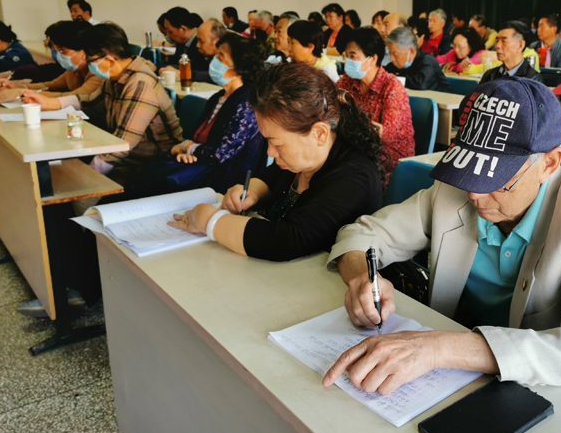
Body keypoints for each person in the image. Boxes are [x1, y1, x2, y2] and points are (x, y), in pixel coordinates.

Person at [323, 76, 561, 421]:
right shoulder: (458, 186)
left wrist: (438, 348)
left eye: (497, 180)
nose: (474, 193)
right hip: (470, 376)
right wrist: (361, 277)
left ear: (548, 165)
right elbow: (362, 235)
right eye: (469, 172)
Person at [168, 63, 384, 262]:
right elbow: (270, 177)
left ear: (319, 134)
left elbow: (287, 240)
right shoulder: (303, 158)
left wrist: (210, 221)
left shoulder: (355, 177)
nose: (270, 152)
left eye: (277, 144)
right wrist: (251, 192)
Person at [22, 22, 182, 185]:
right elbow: (91, 102)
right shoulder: (116, 76)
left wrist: (87, 179)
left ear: (110, 60)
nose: (88, 64)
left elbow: (123, 144)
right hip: (126, 154)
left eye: (90, 60)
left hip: (151, 163)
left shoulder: (139, 84)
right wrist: (50, 103)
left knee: (69, 180)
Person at [138, 34, 266, 196]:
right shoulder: (218, 97)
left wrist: (187, 147)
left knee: (155, 184)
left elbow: (220, 154)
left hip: (224, 175)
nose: (215, 60)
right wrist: (186, 151)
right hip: (201, 163)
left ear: (240, 67)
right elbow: (196, 139)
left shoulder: (246, 102)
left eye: (221, 56)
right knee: (147, 175)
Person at [337, 27, 414, 182]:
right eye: (347, 55)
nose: (348, 61)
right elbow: (332, 106)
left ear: (372, 59)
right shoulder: (348, 81)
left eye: (353, 56)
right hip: (357, 150)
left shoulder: (392, 87)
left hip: (387, 158)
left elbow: (387, 134)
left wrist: (350, 120)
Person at [0, 21, 102, 104]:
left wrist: (22, 93)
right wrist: (14, 86)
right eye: (56, 50)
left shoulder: (99, 72)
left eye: (62, 51)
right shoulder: (74, 70)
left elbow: (74, 97)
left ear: (83, 51)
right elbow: (49, 86)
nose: (58, 55)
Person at [384, 27, 451, 92]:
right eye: (390, 53)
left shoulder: (428, 61)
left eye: (395, 54)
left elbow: (421, 84)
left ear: (411, 51)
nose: (391, 58)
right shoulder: (396, 65)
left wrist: (397, 79)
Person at [159, 7, 209, 77]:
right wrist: (155, 67)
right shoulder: (181, 42)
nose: (167, 35)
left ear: (183, 29)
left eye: (170, 32)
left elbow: (199, 70)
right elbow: (174, 65)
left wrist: (181, 73)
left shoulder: (202, 42)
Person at [189, 19, 227, 83]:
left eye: (201, 42)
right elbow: (192, 67)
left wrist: (188, 74)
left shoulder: (228, 60)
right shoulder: (201, 55)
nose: (197, 45)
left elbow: (217, 76)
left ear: (216, 42)